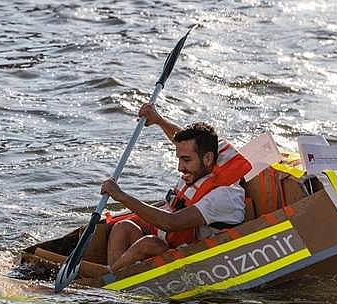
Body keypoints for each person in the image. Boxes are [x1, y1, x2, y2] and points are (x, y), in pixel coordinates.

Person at [100, 103, 252, 272]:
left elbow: (171, 223)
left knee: (148, 243)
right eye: (179, 159)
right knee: (123, 227)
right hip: (175, 246)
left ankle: (109, 277)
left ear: (208, 158)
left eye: (186, 160)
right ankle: (117, 275)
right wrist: (159, 120)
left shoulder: (224, 196)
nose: (180, 167)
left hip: (200, 262)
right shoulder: (207, 161)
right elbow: (185, 143)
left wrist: (121, 196)